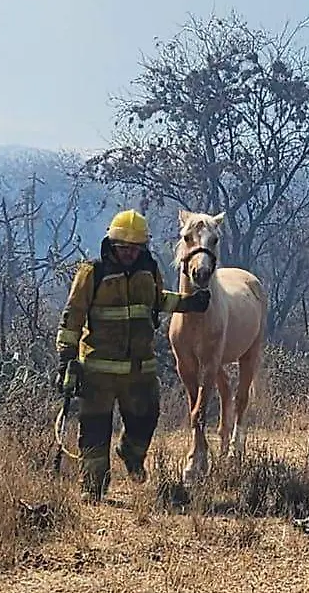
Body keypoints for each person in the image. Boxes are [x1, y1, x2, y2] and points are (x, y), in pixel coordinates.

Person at [54, 209, 212, 503]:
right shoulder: (93, 272)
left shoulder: (148, 270)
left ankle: (130, 452)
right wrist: (67, 359)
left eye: (134, 248)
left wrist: (189, 303)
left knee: (146, 420)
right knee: (95, 432)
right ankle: (93, 489)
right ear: (111, 245)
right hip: (98, 373)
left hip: (139, 371)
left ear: (143, 248)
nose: (128, 254)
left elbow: (158, 299)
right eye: (123, 248)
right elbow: (72, 316)